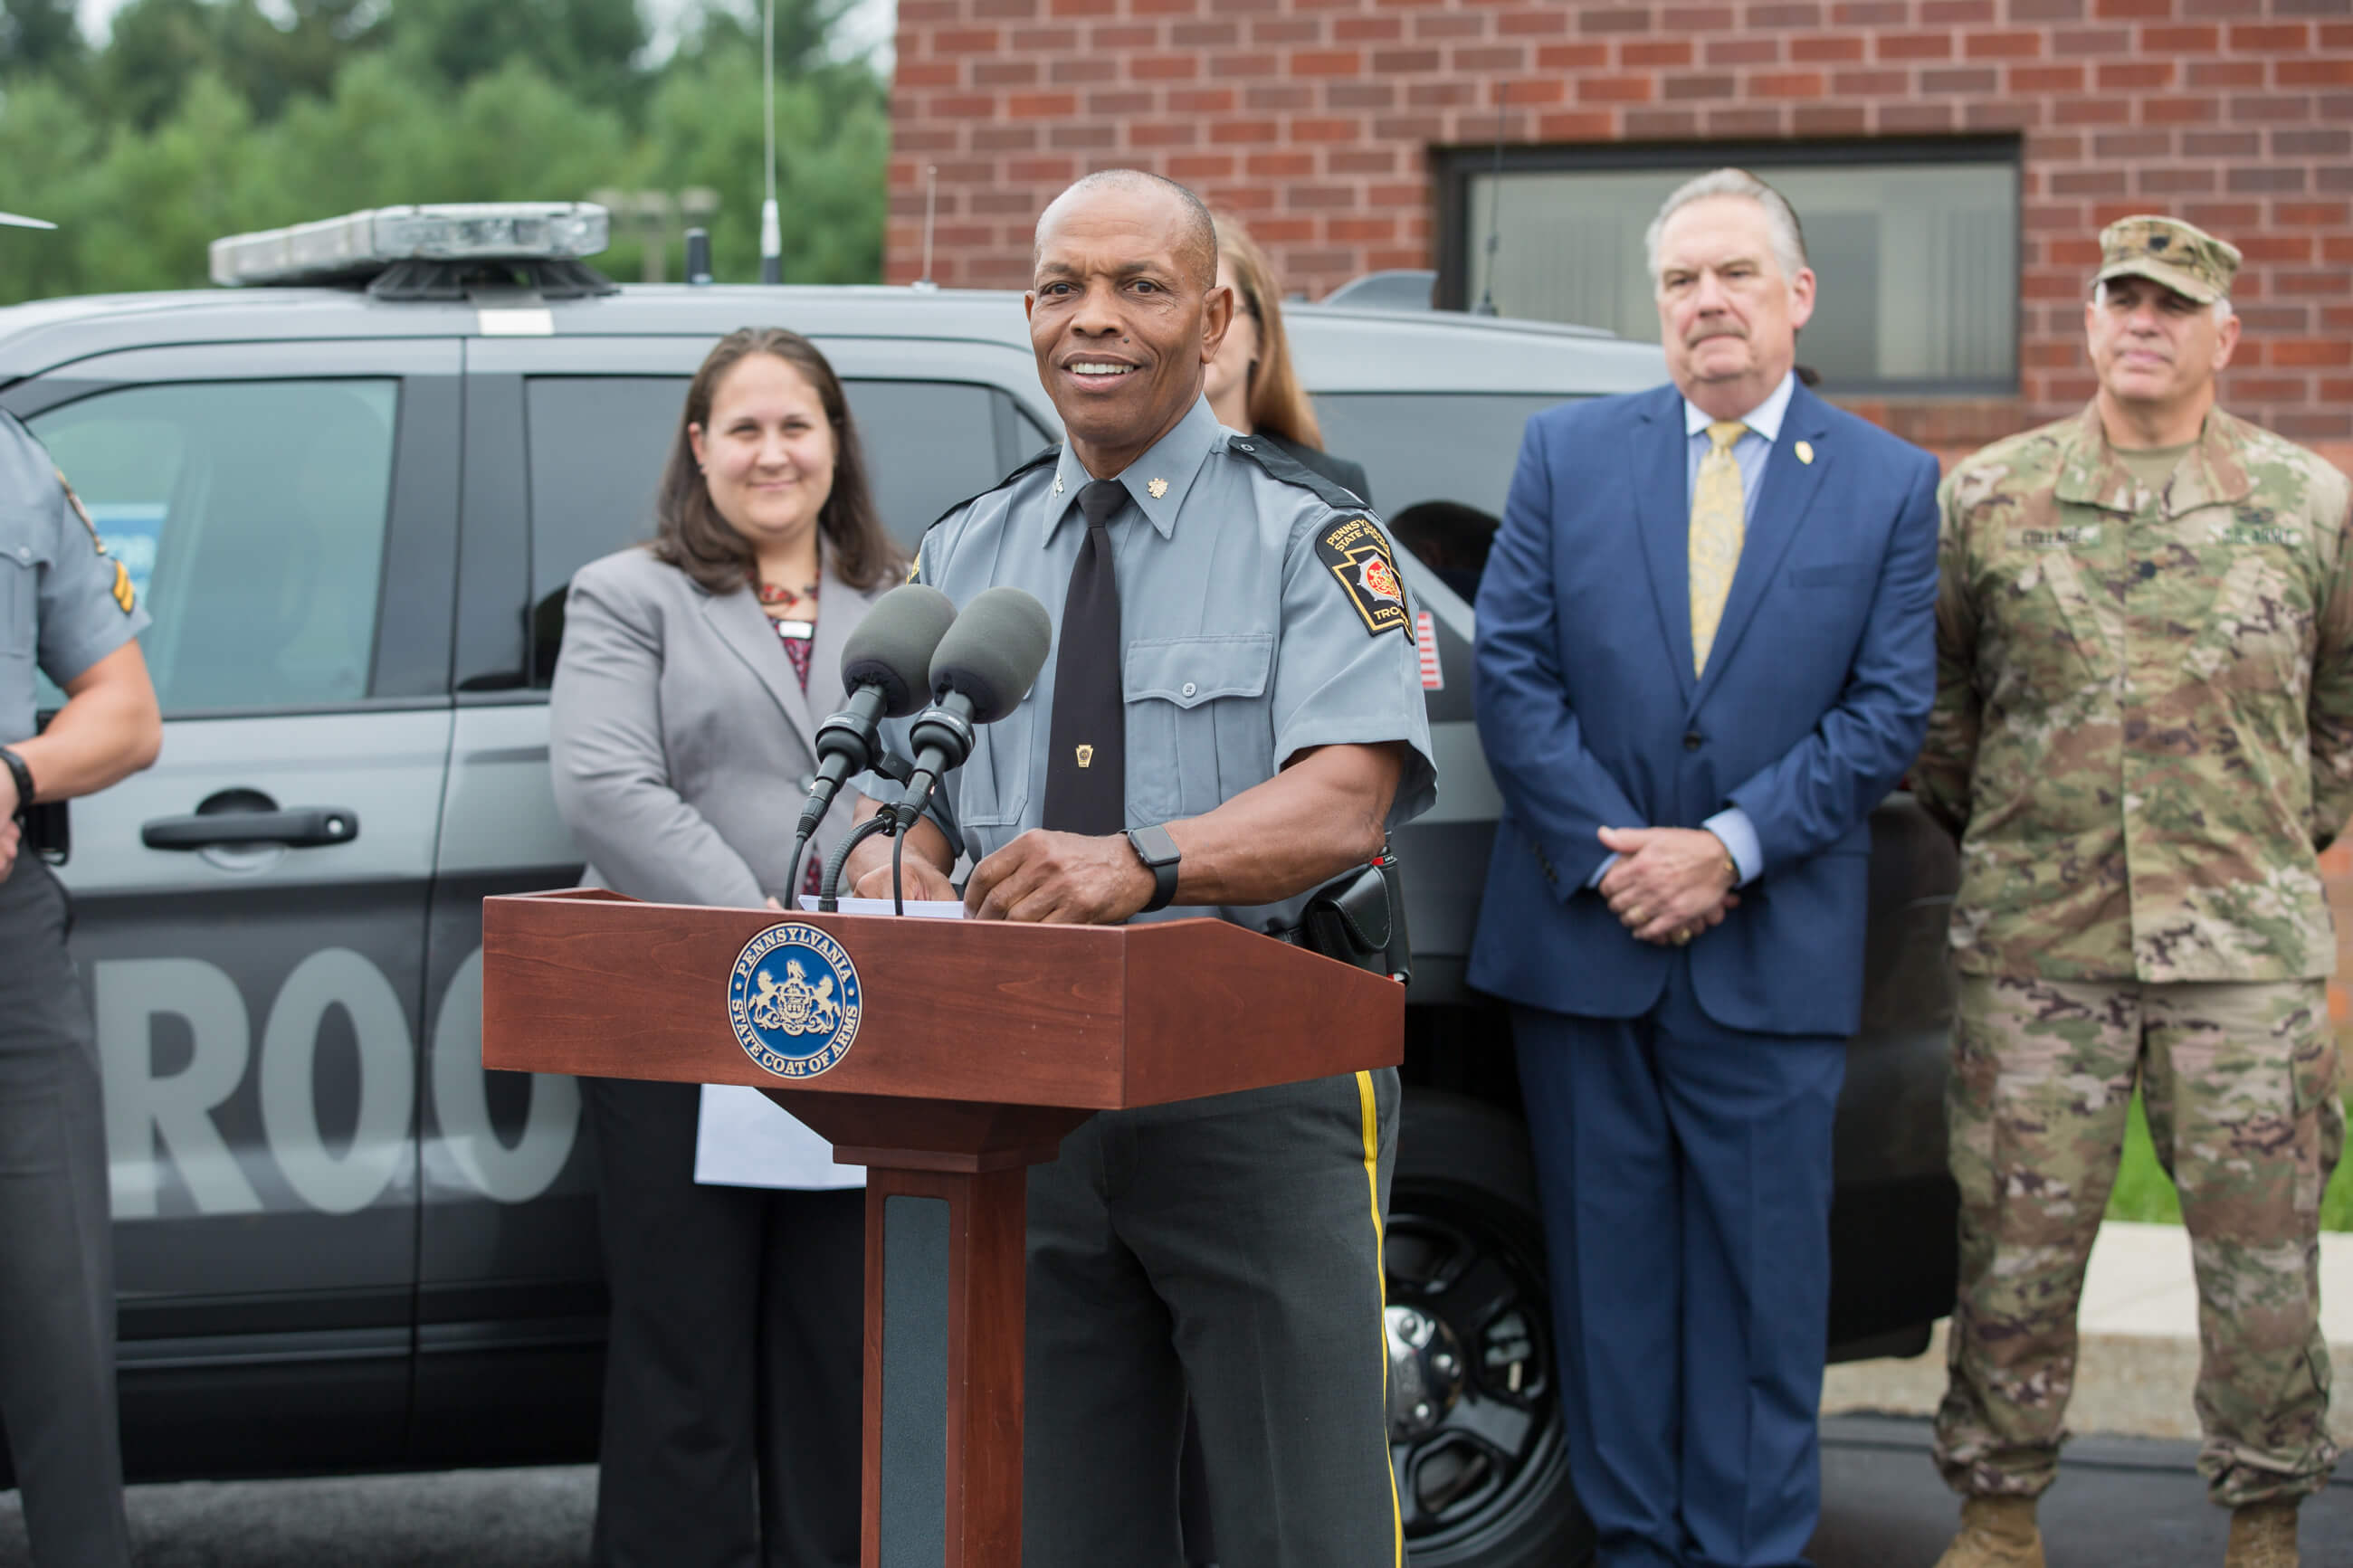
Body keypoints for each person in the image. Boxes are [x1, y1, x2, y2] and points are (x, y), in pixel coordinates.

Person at [841, 167, 1435, 1568]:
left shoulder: (1317, 537)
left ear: (1216, 315)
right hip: (1024, 1100)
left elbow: (1349, 799)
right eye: (1061, 288)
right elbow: (909, 805)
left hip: (1255, 1084)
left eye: (1139, 287)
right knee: (1057, 1519)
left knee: (1308, 1523)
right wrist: (893, 872)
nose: (1091, 321)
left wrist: (1144, 865)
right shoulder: (962, 553)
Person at [1466, 167, 1939, 1568]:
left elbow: (1887, 711)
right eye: (1681, 281)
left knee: (1759, 1295)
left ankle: (1746, 1551)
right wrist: (1620, 856)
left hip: (1768, 954)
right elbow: (1515, 670)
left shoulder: (1890, 483)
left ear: (1797, 297)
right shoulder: (1567, 453)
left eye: (1736, 274)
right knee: (1608, 1288)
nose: (1708, 303)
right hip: (1587, 945)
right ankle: (1634, 1547)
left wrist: (1725, 849)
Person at [1915, 216, 2351, 1568]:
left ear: (2228, 334)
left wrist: (2264, 842)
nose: (2145, 323)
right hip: (2039, 953)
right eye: (2124, 299)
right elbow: (1943, 720)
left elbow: (2338, 717)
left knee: (2267, 1267)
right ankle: (1999, 1517)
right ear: (2090, 323)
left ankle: (2266, 1524)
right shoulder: (1989, 498)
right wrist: (2028, 844)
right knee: (2015, 1256)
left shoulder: (2309, 505)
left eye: (2178, 304)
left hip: (2245, 959)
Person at [548, 327, 904, 1568]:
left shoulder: (902, 611)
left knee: (839, 1368)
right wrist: (778, 935)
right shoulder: (627, 593)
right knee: (682, 1370)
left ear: (835, 441)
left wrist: (888, 876)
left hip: (862, 1034)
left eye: (796, 424)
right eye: (743, 428)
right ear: (698, 449)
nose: (772, 452)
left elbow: (934, 804)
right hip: (678, 1019)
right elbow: (607, 790)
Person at [0, 408, 162, 1568]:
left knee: (57, 1337)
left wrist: (16, 769)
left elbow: (126, 710)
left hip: (7, 946)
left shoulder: (11, 463)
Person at [1204, 212, 1372, 504]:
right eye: (1180, 308)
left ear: (1259, 335)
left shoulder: (1326, 485)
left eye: (1219, 311)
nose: (1203, 330)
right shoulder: (1112, 475)